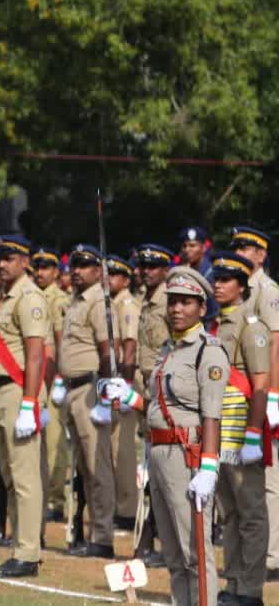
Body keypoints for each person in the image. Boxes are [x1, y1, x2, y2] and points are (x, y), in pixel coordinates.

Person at [104, 266, 225, 606]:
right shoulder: (167, 349)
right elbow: (157, 406)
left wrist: (209, 467)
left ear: (202, 308)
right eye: (173, 302)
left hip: (187, 456)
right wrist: (129, 397)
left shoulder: (208, 351)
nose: (176, 309)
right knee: (172, 554)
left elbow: (212, 414)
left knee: (195, 553)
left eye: (186, 302)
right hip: (158, 452)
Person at [0, 235, 47, 578]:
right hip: (2, 392)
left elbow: (36, 354)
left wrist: (29, 403)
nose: (2, 263)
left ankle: (28, 552)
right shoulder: (5, 297)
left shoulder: (29, 297)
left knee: (24, 477)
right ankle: (20, 545)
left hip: (20, 391)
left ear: (25, 260)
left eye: (9, 257)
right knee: (9, 476)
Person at [204, 251, 269, 606]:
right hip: (221, 430)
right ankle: (233, 582)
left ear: (242, 286)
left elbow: (260, 382)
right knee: (228, 513)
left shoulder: (251, 324)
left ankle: (250, 589)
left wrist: (255, 434)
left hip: (242, 430)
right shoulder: (217, 324)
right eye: (216, 277)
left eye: (226, 279)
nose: (218, 284)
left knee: (251, 513)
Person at [222, 226, 279, 584]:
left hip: (261, 394)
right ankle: (249, 561)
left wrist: (272, 396)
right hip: (240, 399)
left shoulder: (266, 290)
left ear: (261, 254)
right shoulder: (240, 290)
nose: (241, 251)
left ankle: (271, 556)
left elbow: (274, 345)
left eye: (247, 247)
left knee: (266, 483)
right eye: (237, 246)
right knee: (240, 493)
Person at [57, 243, 119, 559]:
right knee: (83, 467)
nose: (77, 271)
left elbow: (108, 351)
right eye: (74, 265)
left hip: (91, 388)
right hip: (73, 390)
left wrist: (106, 398)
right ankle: (90, 532)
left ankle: (103, 537)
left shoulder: (98, 302)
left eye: (84, 266)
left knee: (98, 467)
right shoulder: (77, 300)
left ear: (98, 271)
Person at [133, 243, 175, 567]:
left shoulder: (168, 301)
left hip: (162, 388)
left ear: (164, 270)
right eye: (142, 266)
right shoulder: (146, 301)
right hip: (143, 387)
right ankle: (151, 536)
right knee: (148, 467)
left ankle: (164, 539)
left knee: (165, 467)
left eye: (152, 267)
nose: (145, 271)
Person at [32, 246, 70, 522]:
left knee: (55, 441)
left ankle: (56, 499)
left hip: (51, 376)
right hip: (35, 379)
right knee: (40, 442)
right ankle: (44, 494)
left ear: (55, 271)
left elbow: (60, 340)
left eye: (46, 267)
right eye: (37, 267)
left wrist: (58, 379)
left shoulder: (59, 299)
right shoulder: (32, 295)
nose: (40, 272)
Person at [106, 255, 141, 528]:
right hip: (114, 379)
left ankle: (128, 508)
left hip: (126, 379)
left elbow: (130, 344)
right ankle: (121, 502)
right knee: (114, 445)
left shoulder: (127, 303)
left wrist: (127, 387)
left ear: (126, 279)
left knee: (124, 447)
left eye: (115, 274)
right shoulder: (112, 302)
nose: (109, 279)